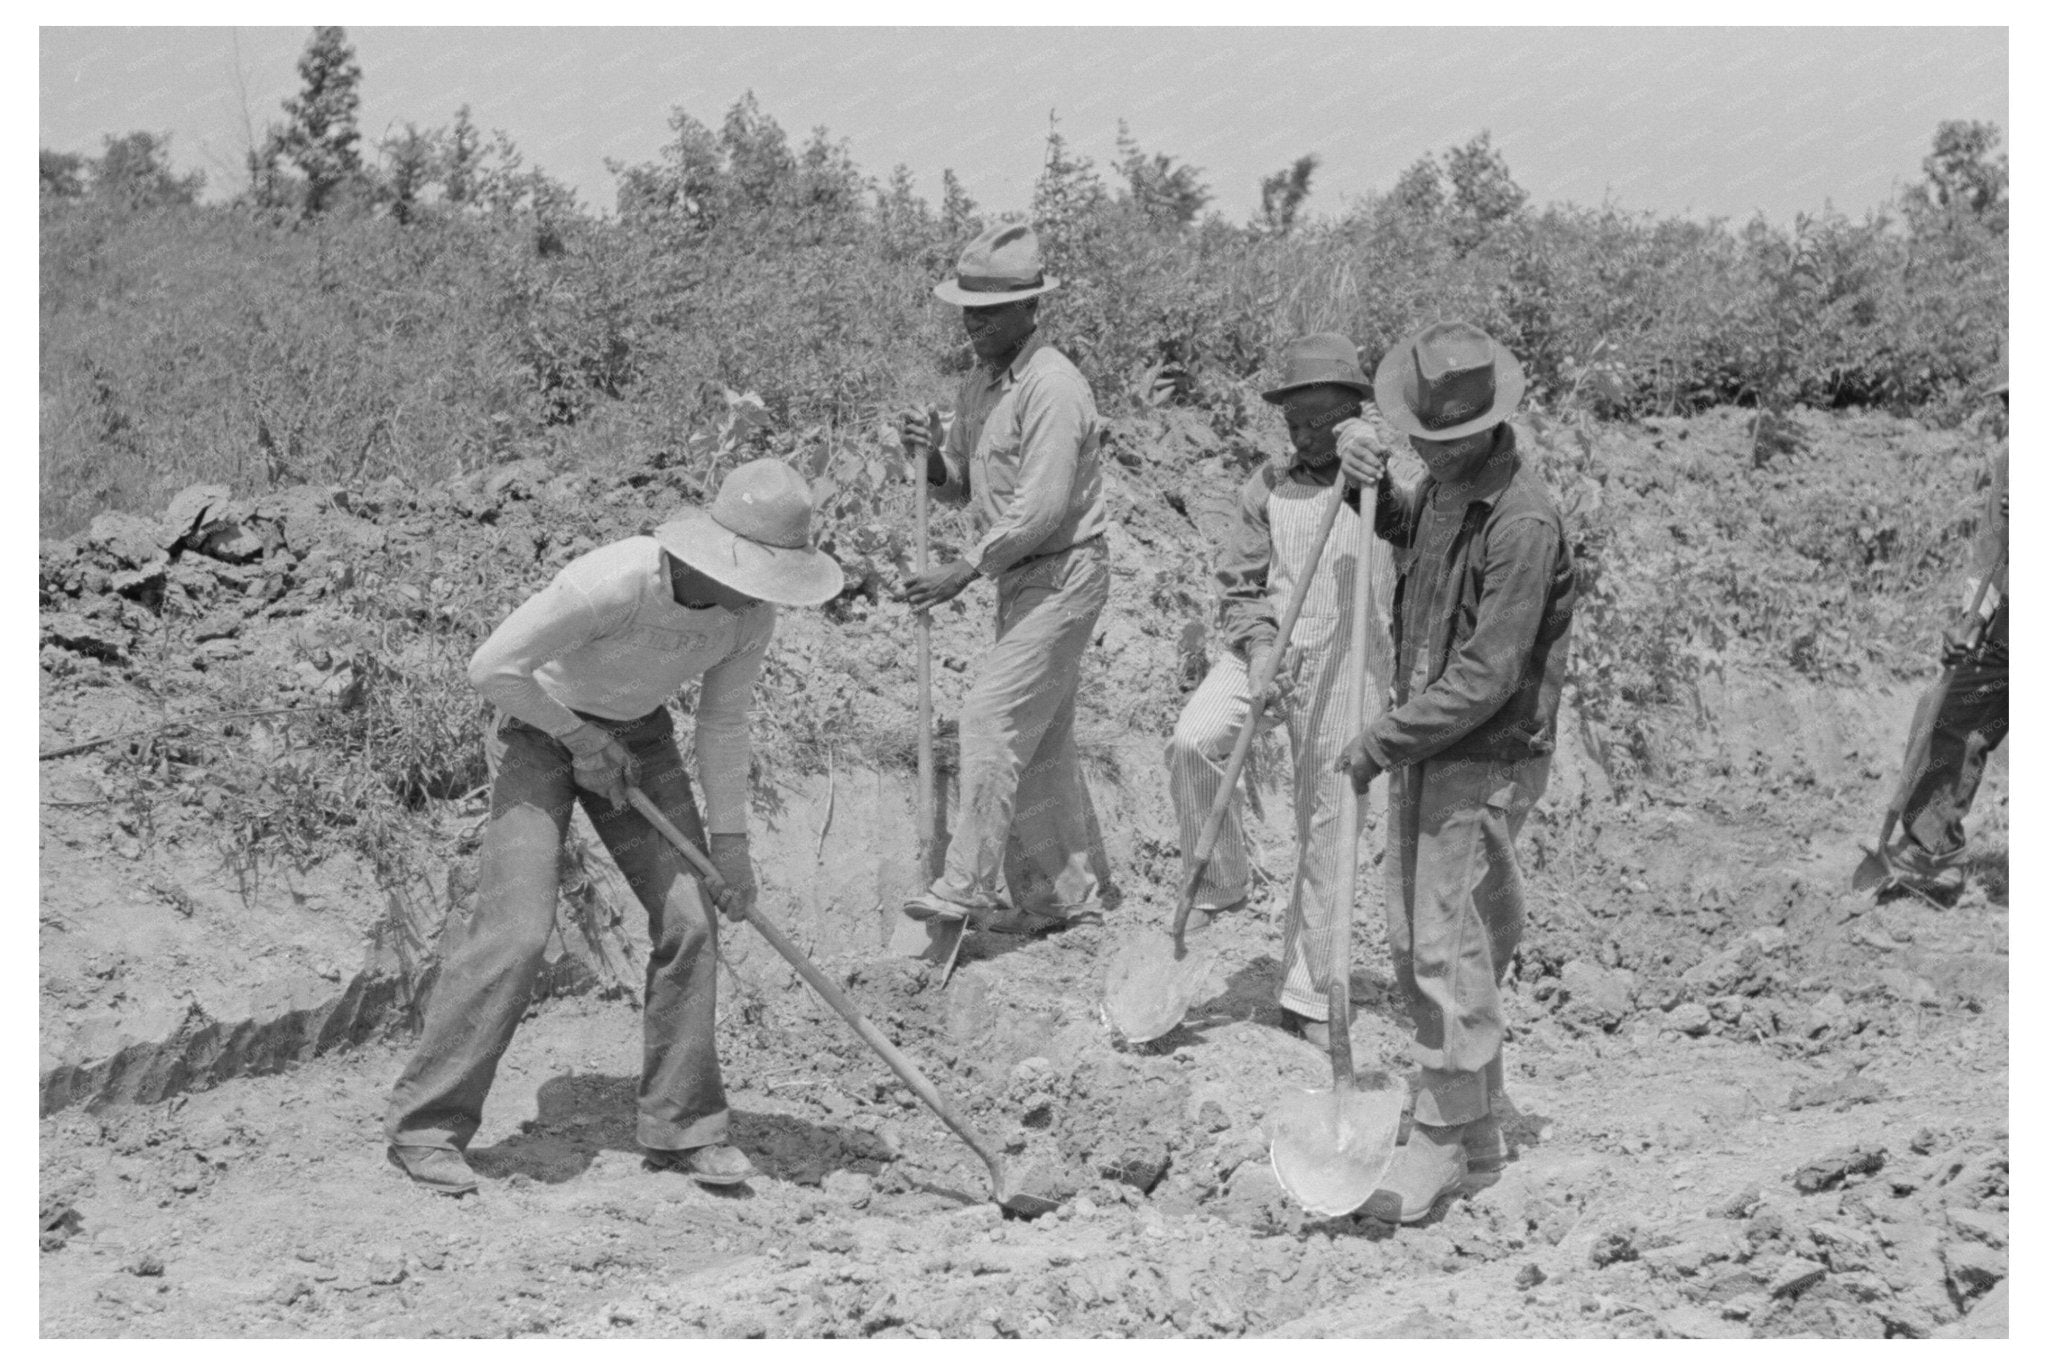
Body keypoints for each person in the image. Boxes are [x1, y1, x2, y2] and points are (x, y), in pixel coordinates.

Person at [384, 460, 843, 1196]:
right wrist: (577, 738)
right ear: (719, 553)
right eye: (759, 572)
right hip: (537, 731)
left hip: (638, 740)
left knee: (692, 918)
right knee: (520, 930)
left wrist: (731, 846)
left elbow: (723, 723)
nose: (763, 591)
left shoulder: (749, 616)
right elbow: (493, 668)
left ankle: (682, 1125)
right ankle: (426, 1125)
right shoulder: (618, 580)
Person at [1333, 321, 1577, 1225]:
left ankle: (1438, 1130)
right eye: (1416, 439)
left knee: (1444, 940)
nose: (1425, 454)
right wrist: (1359, 474)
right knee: (1429, 934)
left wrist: (1381, 739)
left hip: (1484, 745)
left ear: (1486, 425)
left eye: (1440, 441)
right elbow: (1407, 525)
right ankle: (1477, 1134)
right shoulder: (1444, 485)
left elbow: (1488, 674)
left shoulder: (1522, 521)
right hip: (1431, 737)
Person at [1163, 334, 1397, 1046]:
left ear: (1352, 413)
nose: (1307, 436)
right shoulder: (1265, 484)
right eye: (1294, 422)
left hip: (1349, 657)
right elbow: (1239, 582)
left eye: (1325, 422)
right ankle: (1221, 881)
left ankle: (1310, 992)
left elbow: (1409, 498)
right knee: (1195, 738)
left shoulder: (1382, 473)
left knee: (1328, 825)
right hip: (1272, 647)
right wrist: (1262, 649)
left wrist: (1370, 448)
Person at [893, 222, 1111, 936]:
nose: (974, 326)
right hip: (1020, 580)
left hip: (1064, 571)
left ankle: (968, 884)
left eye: (989, 313)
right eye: (967, 311)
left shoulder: (1054, 387)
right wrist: (929, 463)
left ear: (1030, 309)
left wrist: (964, 568)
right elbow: (960, 485)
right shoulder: (981, 383)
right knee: (1041, 739)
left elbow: (1043, 509)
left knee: (989, 714)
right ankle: (1061, 899)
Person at [1884, 351, 2009, 903]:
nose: (2013, 414)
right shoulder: (2014, 458)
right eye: (2008, 403)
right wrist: (1971, 617)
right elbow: (1991, 543)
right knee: (1956, 712)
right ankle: (1933, 854)